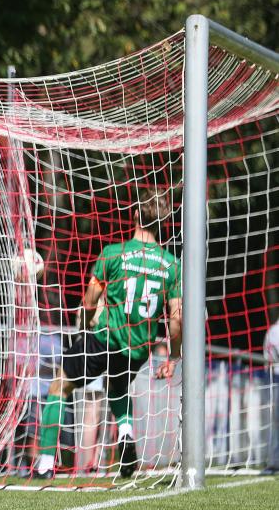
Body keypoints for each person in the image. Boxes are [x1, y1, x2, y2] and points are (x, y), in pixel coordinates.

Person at [33, 188, 182, 479]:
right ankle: (126, 434)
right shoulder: (171, 265)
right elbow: (176, 320)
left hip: (105, 338)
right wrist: (173, 357)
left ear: (136, 215)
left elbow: (89, 301)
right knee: (117, 387)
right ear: (163, 221)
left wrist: (83, 329)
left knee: (59, 386)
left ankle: (45, 464)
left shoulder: (113, 254)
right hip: (139, 348)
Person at [262, 317, 279, 475]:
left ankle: (274, 460)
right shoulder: (275, 331)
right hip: (276, 378)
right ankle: (274, 460)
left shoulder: (271, 331)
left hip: (272, 378)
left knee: (274, 422)